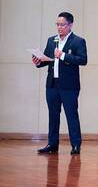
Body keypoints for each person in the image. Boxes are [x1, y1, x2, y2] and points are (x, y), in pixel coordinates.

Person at [32, 12, 87, 155]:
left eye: (62, 25)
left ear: (70, 25)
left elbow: (83, 60)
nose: (59, 27)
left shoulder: (78, 41)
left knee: (71, 115)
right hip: (52, 84)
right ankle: (52, 144)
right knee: (53, 115)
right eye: (57, 24)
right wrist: (38, 62)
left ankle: (76, 145)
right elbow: (47, 59)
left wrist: (63, 55)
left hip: (69, 86)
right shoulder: (52, 40)